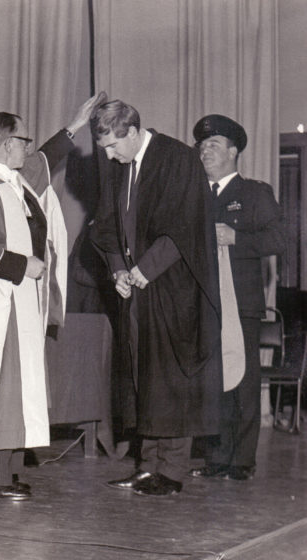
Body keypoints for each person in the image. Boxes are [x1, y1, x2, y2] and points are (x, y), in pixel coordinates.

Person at [0, 93, 106, 500]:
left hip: (17, 303)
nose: (28, 147)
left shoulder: (13, 181)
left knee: (17, 385)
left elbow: (44, 159)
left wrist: (75, 126)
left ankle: (6, 471)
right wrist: (23, 265)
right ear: (6, 143)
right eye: (24, 140)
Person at [90, 100, 222, 496]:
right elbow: (108, 225)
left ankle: (172, 471)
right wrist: (117, 269)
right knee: (141, 377)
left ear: (132, 132)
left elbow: (184, 226)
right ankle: (147, 467)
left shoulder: (177, 158)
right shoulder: (120, 166)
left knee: (171, 377)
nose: (110, 156)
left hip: (172, 286)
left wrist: (145, 270)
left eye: (114, 146)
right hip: (136, 286)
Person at [190, 114, 285, 481]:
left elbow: (277, 240)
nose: (205, 152)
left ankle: (241, 461)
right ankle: (215, 457)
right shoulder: (195, 193)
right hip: (203, 304)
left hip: (241, 305)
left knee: (242, 382)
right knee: (212, 383)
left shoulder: (254, 193)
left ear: (233, 151)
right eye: (202, 146)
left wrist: (237, 239)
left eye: (213, 145)